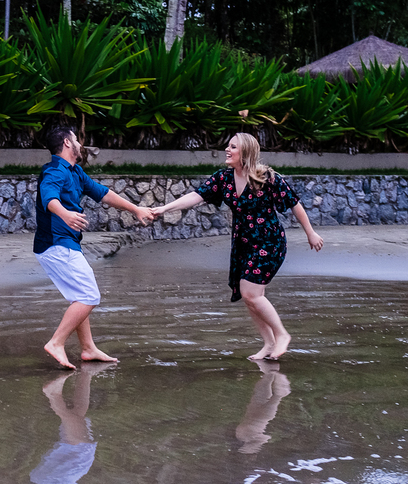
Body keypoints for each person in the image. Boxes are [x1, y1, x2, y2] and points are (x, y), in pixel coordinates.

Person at [147, 132, 323, 361]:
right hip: (243, 244)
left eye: (233, 147)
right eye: (228, 146)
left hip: (269, 242)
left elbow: (294, 204)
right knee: (249, 294)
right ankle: (268, 343)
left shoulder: (267, 177)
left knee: (251, 292)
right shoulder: (224, 179)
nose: (227, 150)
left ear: (246, 152)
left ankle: (281, 335)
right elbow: (196, 196)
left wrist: (311, 233)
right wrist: (163, 209)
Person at [36, 125, 151, 369]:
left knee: (80, 295)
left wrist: (135, 209)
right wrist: (65, 214)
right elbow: (49, 196)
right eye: (76, 139)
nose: (80, 144)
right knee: (89, 295)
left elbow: (103, 193)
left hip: (63, 245)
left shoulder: (75, 172)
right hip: (57, 244)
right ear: (67, 143)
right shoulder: (56, 170)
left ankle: (88, 348)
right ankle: (56, 342)